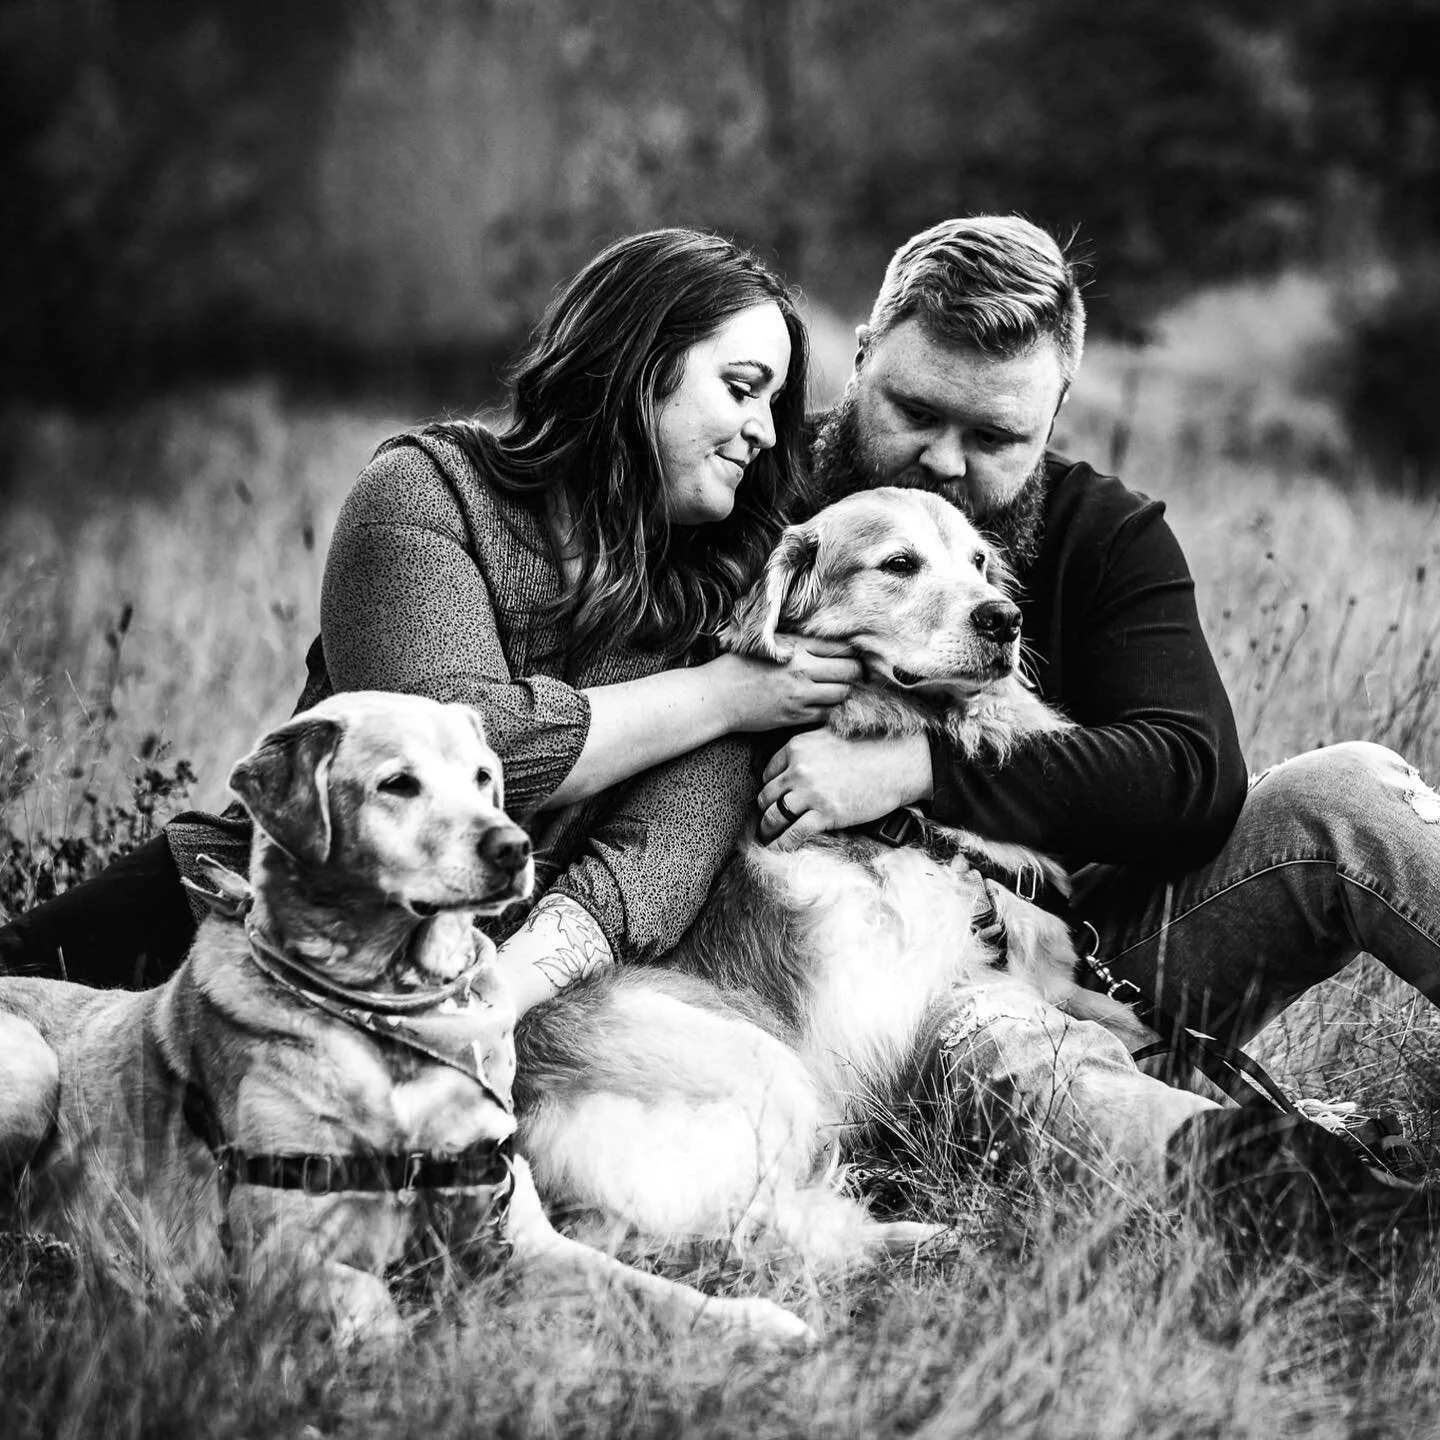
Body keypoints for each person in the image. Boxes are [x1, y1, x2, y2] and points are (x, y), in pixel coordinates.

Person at [756, 214, 1440, 1229]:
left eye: (994, 437)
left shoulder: (1106, 532)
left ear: (1058, 409)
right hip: (876, 979)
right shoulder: (757, 502)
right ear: (860, 357)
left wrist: (918, 771)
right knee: (1004, 1034)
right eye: (913, 410)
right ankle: (1313, 1206)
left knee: (1344, 794)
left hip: (1101, 942)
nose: (942, 463)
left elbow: (1192, 778)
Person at [0, 228, 863, 1006]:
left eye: (775, 408)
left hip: (469, 1010)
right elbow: (454, 737)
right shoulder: (429, 492)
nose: (760, 432)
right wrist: (720, 697)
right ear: (637, 366)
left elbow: (658, 861)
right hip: (232, 922)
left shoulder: (731, 610)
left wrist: (498, 999)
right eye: (743, 388)